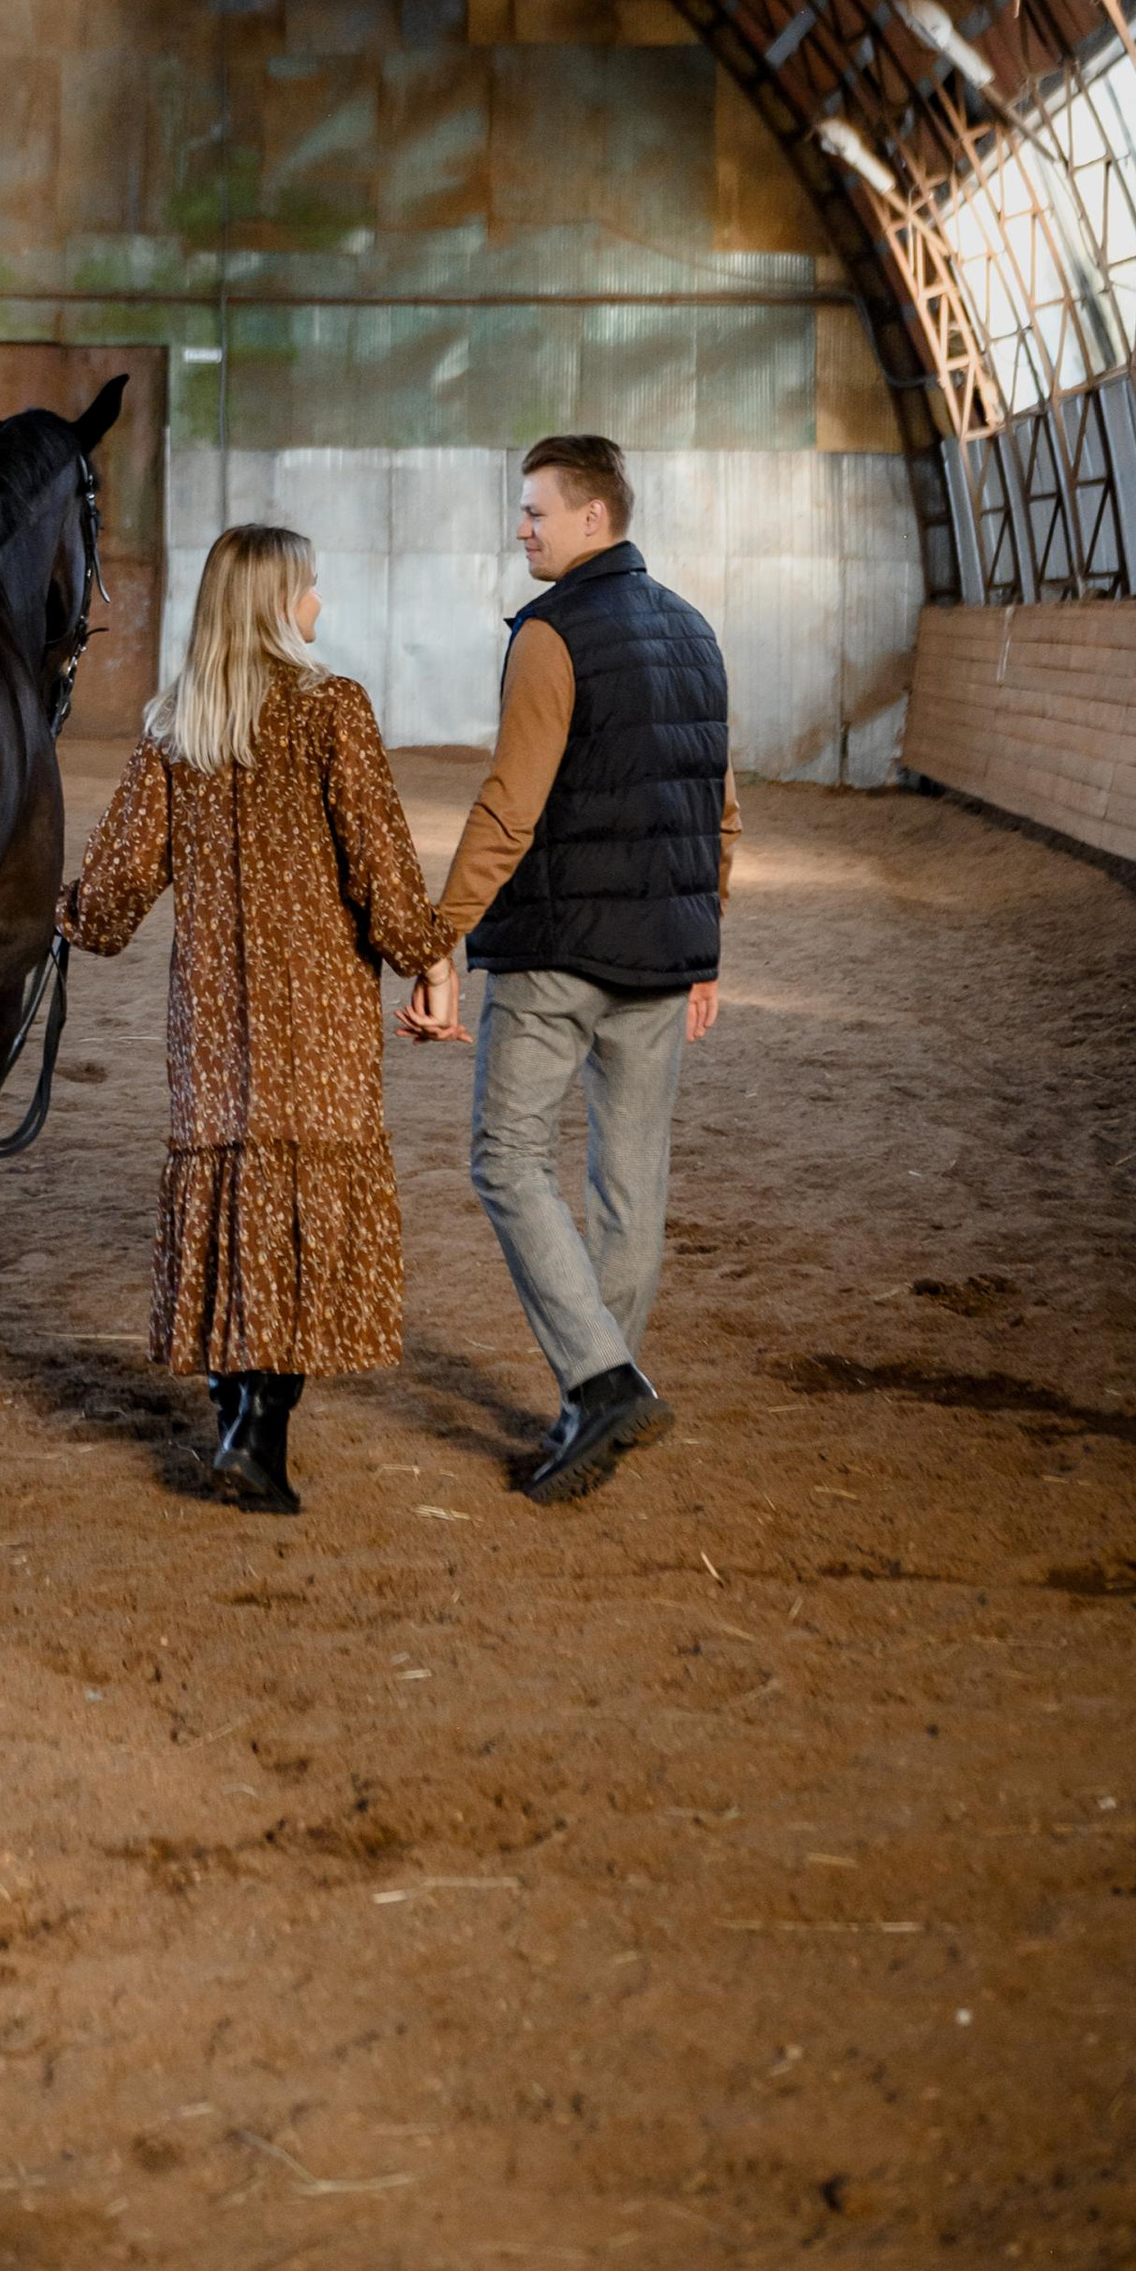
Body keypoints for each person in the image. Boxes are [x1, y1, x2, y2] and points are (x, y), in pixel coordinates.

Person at [59, 524, 447, 1516]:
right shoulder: (333, 708)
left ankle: (237, 1417)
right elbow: (381, 865)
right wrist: (430, 955)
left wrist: (58, 914)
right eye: (308, 587)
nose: (318, 603)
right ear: (276, 602)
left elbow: (110, 897)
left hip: (213, 1024)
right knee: (295, 1210)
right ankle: (256, 1437)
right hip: (316, 1020)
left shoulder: (173, 725)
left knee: (231, 1204)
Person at [402, 434, 738, 1507]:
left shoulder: (551, 633)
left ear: (594, 516)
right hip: (662, 954)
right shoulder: (693, 631)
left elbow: (511, 803)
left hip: (555, 952)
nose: (521, 527)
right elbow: (718, 808)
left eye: (535, 509)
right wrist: (703, 945)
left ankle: (600, 1384)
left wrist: (441, 932)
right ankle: (600, 1395)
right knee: (631, 1182)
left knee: (506, 1156)